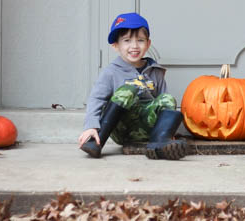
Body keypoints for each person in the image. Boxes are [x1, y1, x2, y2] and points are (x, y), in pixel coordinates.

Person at [78, 12, 187, 160]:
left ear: (148, 44)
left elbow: (165, 108)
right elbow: (96, 99)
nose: (134, 46)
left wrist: (169, 131)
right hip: (121, 127)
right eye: (127, 40)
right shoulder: (111, 72)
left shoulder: (156, 71)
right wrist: (91, 126)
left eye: (140, 40)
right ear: (116, 45)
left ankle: (159, 144)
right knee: (127, 91)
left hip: (148, 128)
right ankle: (96, 144)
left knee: (167, 99)